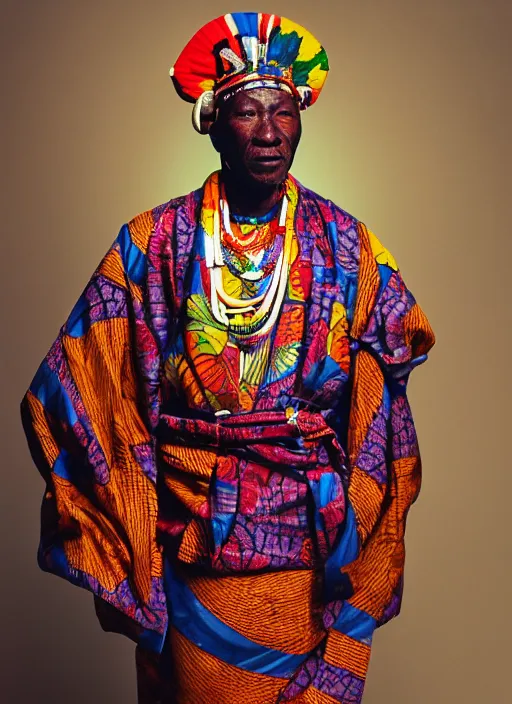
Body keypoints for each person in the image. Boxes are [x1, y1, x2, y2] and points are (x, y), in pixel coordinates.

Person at [20, 12, 436, 704]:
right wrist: (132, 517)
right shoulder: (156, 242)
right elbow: (74, 382)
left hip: (312, 558)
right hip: (196, 549)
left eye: (285, 110)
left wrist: (367, 526)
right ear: (213, 122)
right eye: (248, 110)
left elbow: (380, 403)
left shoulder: (346, 245)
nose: (270, 131)